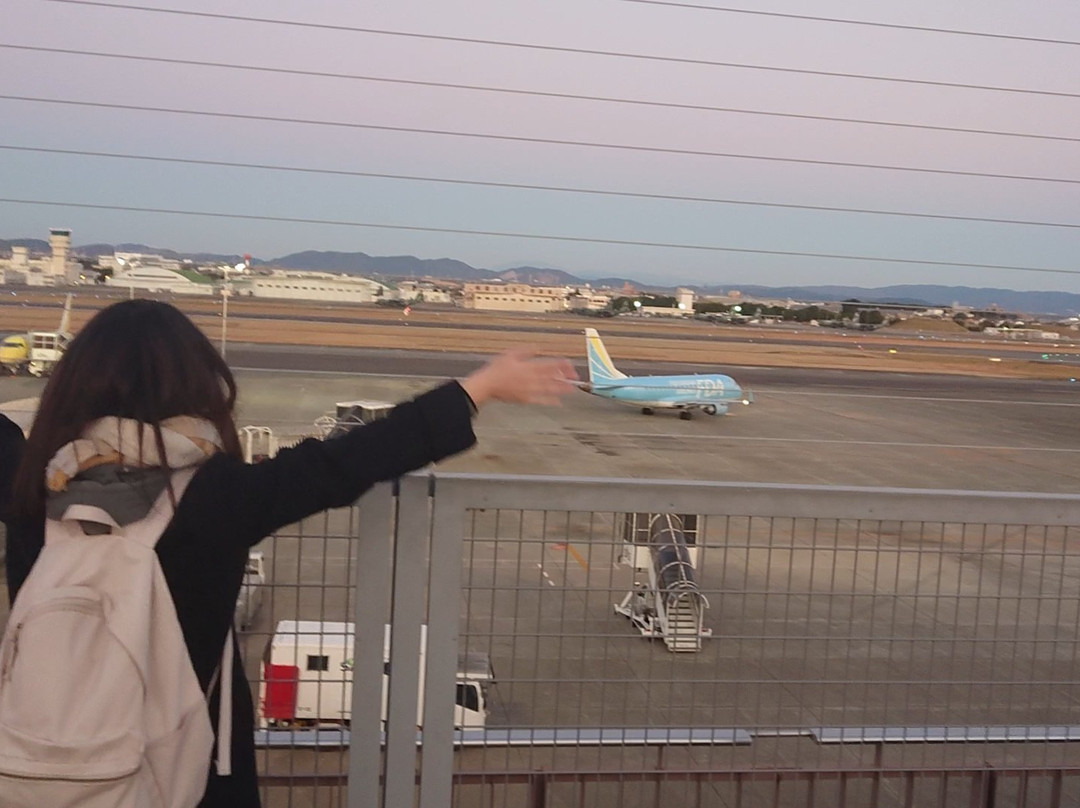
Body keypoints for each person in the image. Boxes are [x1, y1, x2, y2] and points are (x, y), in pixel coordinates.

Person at [2, 298, 577, 807]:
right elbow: (343, 463)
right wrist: (481, 387)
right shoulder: (216, 496)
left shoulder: (29, 489)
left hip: (36, 760)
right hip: (188, 774)